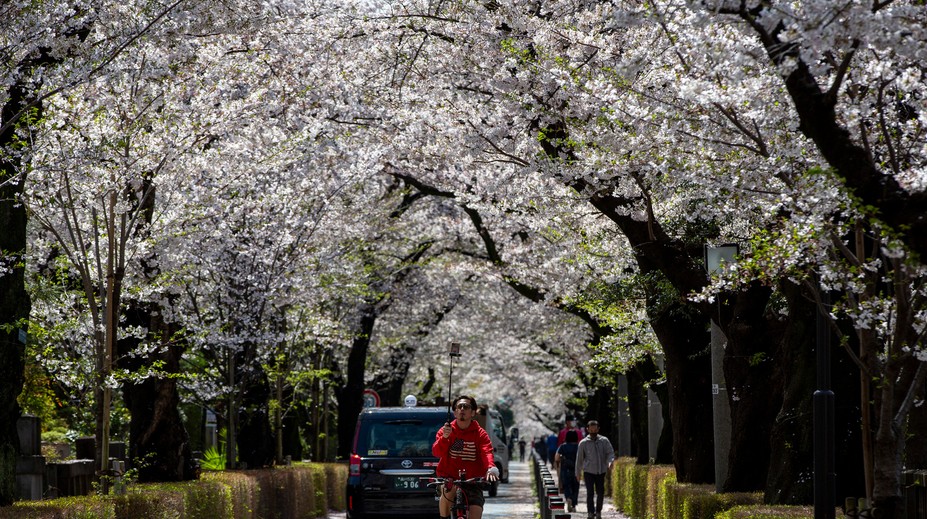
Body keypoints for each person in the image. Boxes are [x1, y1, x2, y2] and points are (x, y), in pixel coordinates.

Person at [433, 395, 500, 519]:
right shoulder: (446, 430)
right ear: (455, 412)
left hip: (473, 481)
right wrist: (445, 438)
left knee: (476, 511)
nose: (462, 409)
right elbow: (436, 452)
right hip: (449, 478)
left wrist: (491, 467)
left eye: (466, 406)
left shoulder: (480, 434)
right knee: (448, 490)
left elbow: (486, 451)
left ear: (473, 412)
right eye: (459, 406)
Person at [575, 420, 615, 519]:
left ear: (598, 429)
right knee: (590, 493)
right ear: (587, 429)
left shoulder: (604, 440)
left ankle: (598, 511)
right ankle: (590, 512)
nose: (593, 431)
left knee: (600, 492)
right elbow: (579, 459)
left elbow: (610, 452)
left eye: (595, 429)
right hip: (588, 471)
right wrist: (578, 472)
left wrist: (610, 462)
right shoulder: (583, 443)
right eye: (591, 429)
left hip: (601, 471)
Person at [554, 429, 580, 512]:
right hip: (576, 469)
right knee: (575, 487)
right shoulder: (579, 446)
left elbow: (557, 457)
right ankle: (574, 505)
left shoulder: (563, 446)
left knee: (566, 486)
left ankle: (568, 498)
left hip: (565, 469)